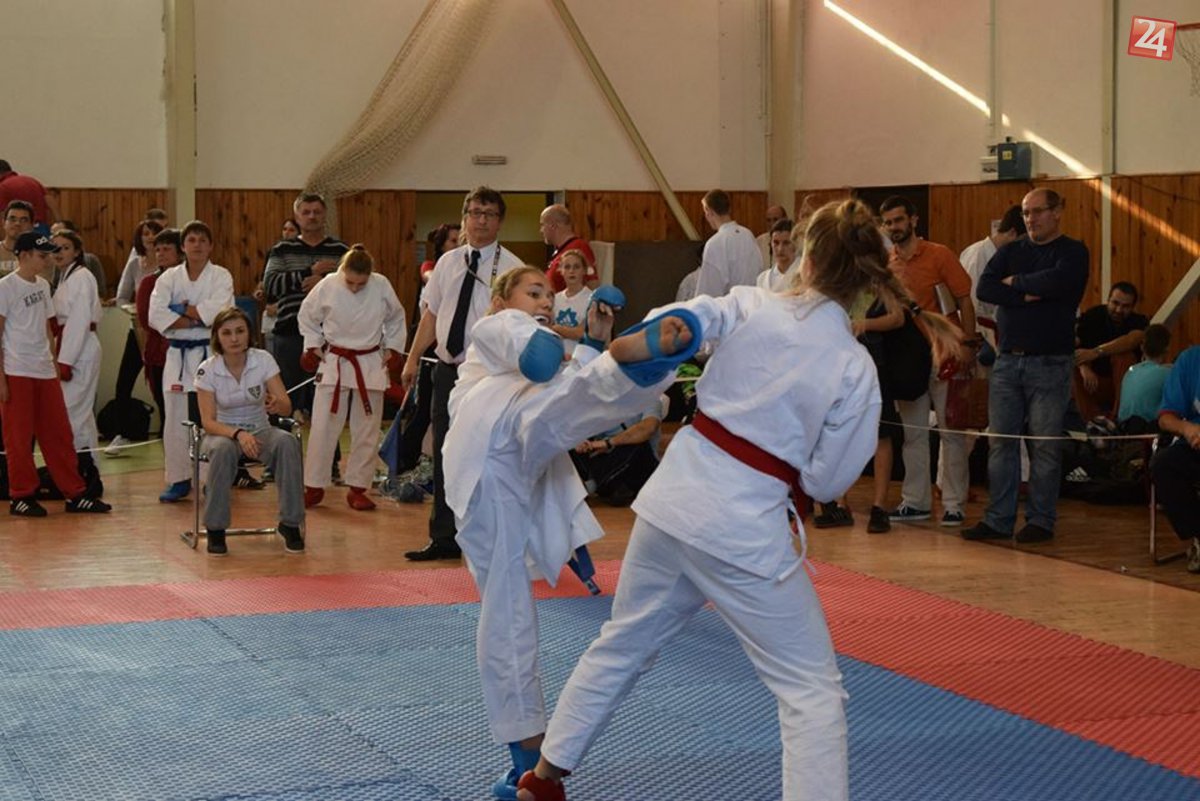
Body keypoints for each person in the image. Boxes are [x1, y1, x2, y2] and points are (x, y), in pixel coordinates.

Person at [515, 199, 960, 801]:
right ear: (868, 285)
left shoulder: (751, 303)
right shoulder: (853, 366)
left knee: (622, 643)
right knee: (811, 693)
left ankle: (543, 779)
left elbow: (697, 317)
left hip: (673, 501)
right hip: (742, 528)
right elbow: (827, 484)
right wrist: (794, 451)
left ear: (804, 257)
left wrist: (682, 327)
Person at [442, 265, 698, 800]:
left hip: (519, 442)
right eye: (533, 291)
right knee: (507, 608)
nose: (544, 300)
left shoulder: (545, 357)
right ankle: (526, 755)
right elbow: (527, 351)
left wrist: (598, 346)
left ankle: (639, 364)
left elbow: (568, 394)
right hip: (486, 449)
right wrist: (555, 344)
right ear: (501, 301)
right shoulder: (495, 328)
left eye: (549, 294)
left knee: (574, 394)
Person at [401, 186, 522, 561]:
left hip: (487, 375)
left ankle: (487, 535)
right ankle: (444, 536)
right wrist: (412, 359)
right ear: (464, 218)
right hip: (447, 370)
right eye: (475, 213)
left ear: (499, 221)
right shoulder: (448, 263)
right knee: (444, 452)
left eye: (489, 214)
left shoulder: (512, 268)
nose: (481, 220)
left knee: (486, 454)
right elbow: (431, 315)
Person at [966, 188, 1089, 544]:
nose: (1030, 219)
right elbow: (986, 288)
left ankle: (1040, 520)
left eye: (1037, 212)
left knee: (1045, 445)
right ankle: (998, 519)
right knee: (1001, 443)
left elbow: (1060, 282)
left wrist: (1015, 283)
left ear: (1057, 212)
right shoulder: (1011, 250)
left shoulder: (1073, 251)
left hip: (1051, 362)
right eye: (1025, 213)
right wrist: (1028, 294)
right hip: (1008, 360)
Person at [880, 195, 979, 528]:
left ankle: (953, 504)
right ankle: (915, 502)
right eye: (888, 222)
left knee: (951, 432)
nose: (894, 227)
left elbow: (964, 299)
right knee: (913, 434)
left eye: (898, 220)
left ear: (913, 220)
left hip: (946, 354)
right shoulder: (887, 264)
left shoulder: (940, 255)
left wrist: (968, 343)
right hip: (908, 360)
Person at [0, 232, 111, 517]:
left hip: (44, 372)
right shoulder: (5, 287)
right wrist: (2, 380)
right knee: (19, 437)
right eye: (42, 255)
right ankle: (21, 495)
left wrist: (53, 363)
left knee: (59, 433)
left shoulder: (43, 285)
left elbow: (48, 329)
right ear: (24, 255)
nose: (48, 260)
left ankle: (75, 492)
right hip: (17, 370)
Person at [298, 245, 406, 511]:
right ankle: (314, 486)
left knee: (367, 428)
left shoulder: (381, 285)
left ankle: (358, 488)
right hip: (335, 359)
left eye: (361, 283)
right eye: (350, 282)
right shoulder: (328, 284)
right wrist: (312, 345)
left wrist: (393, 348)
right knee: (323, 426)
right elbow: (307, 316)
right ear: (342, 270)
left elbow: (396, 318)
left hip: (369, 360)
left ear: (370, 275)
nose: (356, 287)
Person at [194, 307, 305, 556]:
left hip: (260, 429)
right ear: (217, 337)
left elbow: (286, 406)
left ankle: (290, 523)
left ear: (249, 334)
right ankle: (216, 528)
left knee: (287, 442)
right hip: (222, 433)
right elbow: (208, 422)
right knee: (222, 450)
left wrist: (277, 405)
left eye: (240, 331)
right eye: (227, 333)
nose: (234, 338)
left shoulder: (263, 360)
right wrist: (238, 434)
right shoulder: (207, 369)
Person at [148, 220, 235, 502]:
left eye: (202, 240)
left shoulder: (221, 276)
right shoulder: (168, 278)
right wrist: (196, 318)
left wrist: (181, 309)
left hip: (210, 354)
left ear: (211, 246)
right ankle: (179, 478)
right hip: (178, 356)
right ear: (183, 247)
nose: (197, 245)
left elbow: (220, 313)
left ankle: (212, 479)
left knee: (211, 418)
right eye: (191, 240)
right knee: (175, 418)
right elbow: (156, 315)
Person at [262, 192, 348, 424]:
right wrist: (307, 273)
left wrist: (323, 282)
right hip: (289, 333)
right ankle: (283, 445)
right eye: (306, 212)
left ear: (324, 215)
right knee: (285, 397)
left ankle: (329, 448)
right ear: (297, 216)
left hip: (331, 335)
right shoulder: (282, 249)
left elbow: (353, 286)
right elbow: (270, 284)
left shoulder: (341, 250)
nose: (311, 217)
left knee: (328, 399)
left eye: (317, 212)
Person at [49, 229, 103, 494]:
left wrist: (66, 361)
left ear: (77, 252)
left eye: (65, 247)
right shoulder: (64, 277)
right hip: (70, 344)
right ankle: (88, 470)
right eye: (55, 248)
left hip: (79, 347)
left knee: (72, 412)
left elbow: (79, 320)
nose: (59, 252)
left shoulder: (82, 277)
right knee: (82, 413)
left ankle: (81, 473)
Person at [1074, 282, 1149, 420]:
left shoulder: (1139, 321)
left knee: (1123, 357)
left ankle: (1118, 418)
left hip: (1124, 385)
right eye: (1115, 303)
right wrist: (1083, 366)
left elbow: (1132, 340)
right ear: (1108, 300)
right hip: (1094, 382)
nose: (1119, 310)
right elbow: (1072, 344)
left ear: (1133, 307)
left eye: (1126, 306)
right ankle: (1093, 420)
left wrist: (1096, 352)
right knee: (1073, 366)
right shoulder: (1093, 316)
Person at [136, 229, 184, 435]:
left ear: (180, 252)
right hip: (160, 355)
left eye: (166, 249)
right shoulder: (149, 283)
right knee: (167, 412)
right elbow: (147, 320)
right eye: (158, 250)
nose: (161, 254)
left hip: (191, 352)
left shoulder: (192, 280)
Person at [960, 205, 1026, 347]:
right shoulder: (978, 255)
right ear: (1012, 233)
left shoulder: (995, 255)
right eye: (1023, 241)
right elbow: (971, 303)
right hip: (978, 334)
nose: (1024, 248)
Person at [693, 189, 761, 298]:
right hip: (752, 301)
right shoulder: (748, 234)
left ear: (708, 211)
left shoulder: (714, 243)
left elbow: (708, 291)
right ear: (729, 209)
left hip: (729, 304)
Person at [1117, 322, 1171, 431]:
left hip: (1122, 428)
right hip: (1146, 430)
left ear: (1142, 347)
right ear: (1166, 349)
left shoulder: (1130, 371)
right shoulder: (1168, 374)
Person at [541, 204, 598, 293]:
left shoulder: (579, 248)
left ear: (553, 226)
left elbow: (593, 285)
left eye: (542, 225)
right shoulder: (560, 251)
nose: (541, 230)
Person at [549, 250, 592, 354]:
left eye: (576, 267)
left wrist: (556, 328)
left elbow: (580, 333)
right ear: (561, 270)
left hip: (580, 357)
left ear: (584, 270)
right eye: (567, 267)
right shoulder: (555, 299)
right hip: (558, 356)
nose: (572, 271)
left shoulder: (592, 299)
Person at [50, 220, 107, 297]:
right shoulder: (58, 263)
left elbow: (99, 293)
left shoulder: (83, 274)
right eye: (52, 234)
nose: (56, 237)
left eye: (65, 247)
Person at [0, 160, 56, 228]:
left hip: (19, 228)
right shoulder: (32, 181)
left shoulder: (2, 187)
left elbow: (2, 214)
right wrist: (60, 223)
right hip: (41, 227)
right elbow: (50, 200)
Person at [756, 218, 799, 291]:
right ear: (770, 244)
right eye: (776, 243)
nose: (780, 249)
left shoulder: (805, 277)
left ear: (796, 244)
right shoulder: (762, 279)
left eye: (786, 243)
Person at [1, 200, 35, 276]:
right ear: (3, 223)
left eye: (23, 220)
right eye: (12, 219)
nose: (17, 223)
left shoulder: (40, 256)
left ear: (32, 225)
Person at [754, 203, 789, 268]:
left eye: (775, 219)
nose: (772, 223)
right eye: (768, 220)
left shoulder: (793, 239)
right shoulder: (759, 241)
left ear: (785, 219)